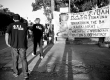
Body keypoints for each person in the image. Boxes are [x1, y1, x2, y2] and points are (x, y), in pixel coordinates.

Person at [5, 14, 29, 79]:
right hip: (22, 46)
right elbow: (27, 36)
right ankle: (25, 74)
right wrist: (26, 44)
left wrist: (7, 42)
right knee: (23, 60)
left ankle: (16, 73)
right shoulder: (24, 25)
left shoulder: (11, 25)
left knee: (15, 60)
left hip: (14, 46)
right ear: (20, 18)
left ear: (13, 19)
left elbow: (7, 33)